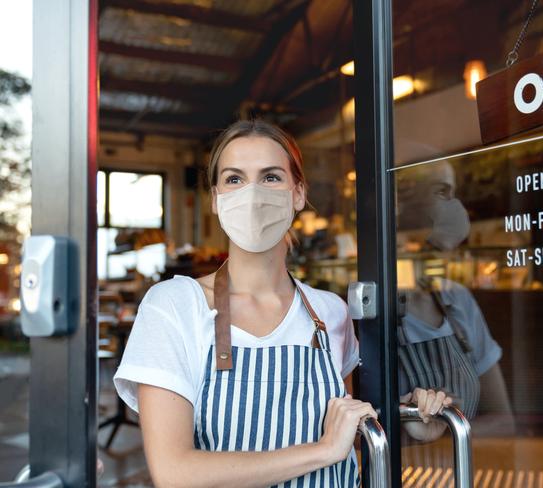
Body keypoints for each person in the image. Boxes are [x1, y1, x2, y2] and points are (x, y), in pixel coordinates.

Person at [113, 119, 451, 487]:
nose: (253, 194)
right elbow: (175, 474)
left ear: (298, 194)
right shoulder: (174, 307)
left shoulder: (329, 312)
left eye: (271, 177)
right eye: (234, 179)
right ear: (215, 199)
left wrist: (413, 420)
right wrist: (321, 451)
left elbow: (346, 430)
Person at [396, 159, 515, 444]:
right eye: (441, 192)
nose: (454, 206)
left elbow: (504, 422)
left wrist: (448, 429)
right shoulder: (364, 314)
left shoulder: (457, 298)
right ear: (401, 201)